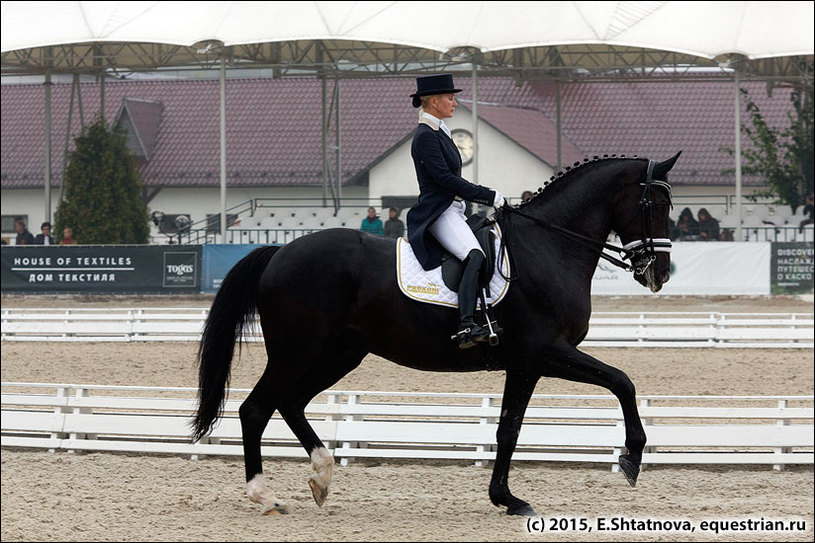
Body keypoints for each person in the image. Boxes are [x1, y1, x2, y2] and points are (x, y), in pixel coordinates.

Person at [406, 73, 504, 349]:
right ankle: (465, 325)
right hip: (438, 212)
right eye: (450, 98)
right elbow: (445, 180)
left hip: (454, 209)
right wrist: (489, 196)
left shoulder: (439, 131)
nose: (455, 103)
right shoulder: (425, 135)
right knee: (474, 255)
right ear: (434, 101)